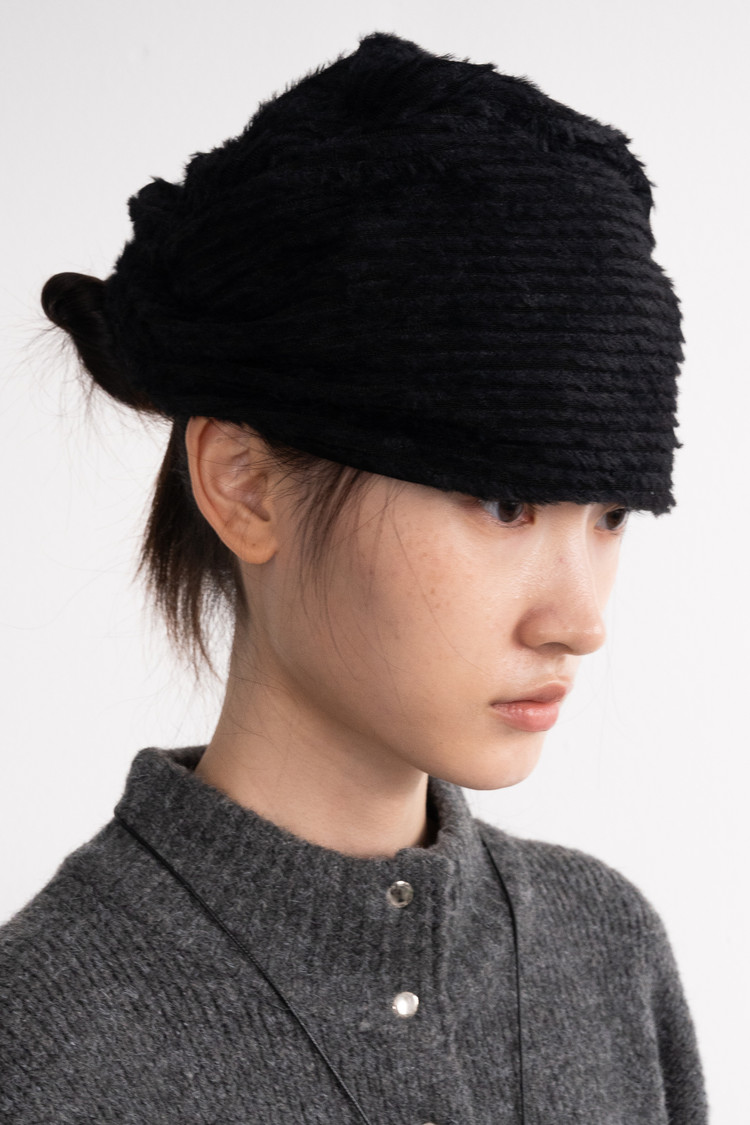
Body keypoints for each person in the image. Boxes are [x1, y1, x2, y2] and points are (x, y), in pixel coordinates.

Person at [0, 30, 708, 1124]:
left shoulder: (607, 952)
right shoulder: (45, 1039)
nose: (580, 621)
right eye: (503, 501)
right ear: (243, 485)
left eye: (611, 515)